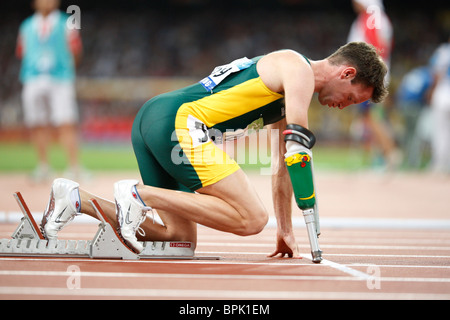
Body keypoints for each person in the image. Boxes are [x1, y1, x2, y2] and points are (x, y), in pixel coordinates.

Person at [40, 42, 388, 258]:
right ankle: (138, 194)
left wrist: (286, 229)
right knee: (252, 218)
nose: (346, 106)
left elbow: (282, 164)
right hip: (180, 122)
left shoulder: (290, 90)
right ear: (347, 73)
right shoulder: (298, 69)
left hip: (155, 117)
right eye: (353, 98)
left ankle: (76, 199)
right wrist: (309, 210)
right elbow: (298, 149)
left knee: (178, 239)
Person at [16, 0, 83, 182]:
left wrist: (67, 70)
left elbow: (76, 50)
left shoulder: (66, 23)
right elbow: (22, 52)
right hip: (33, 77)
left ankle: (74, 167)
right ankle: (43, 166)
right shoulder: (27, 25)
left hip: (60, 78)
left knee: (66, 121)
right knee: (37, 122)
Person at [347, 0, 399, 170]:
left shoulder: (371, 18)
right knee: (371, 118)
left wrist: (369, 77)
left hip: (370, 76)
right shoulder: (376, 17)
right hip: (374, 74)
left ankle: (391, 154)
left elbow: (375, 48)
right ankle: (382, 157)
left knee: (373, 117)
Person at [428, 38, 450, 175]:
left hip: (443, 92)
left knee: (441, 132)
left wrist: (432, 91)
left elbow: (436, 74)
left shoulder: (443, 51)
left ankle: (439, 165)